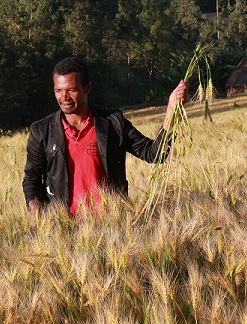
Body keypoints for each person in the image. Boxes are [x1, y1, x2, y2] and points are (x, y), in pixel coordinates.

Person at [22, 57, 188, 228]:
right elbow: (31, 178)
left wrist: (171, 111)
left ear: (87, 88)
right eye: (58, 90)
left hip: (112, 226)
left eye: (71, 90)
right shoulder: (41, 131)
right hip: (64, 229)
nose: (64, 97)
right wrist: (34, 204)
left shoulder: (113, 123)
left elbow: (155, 154)